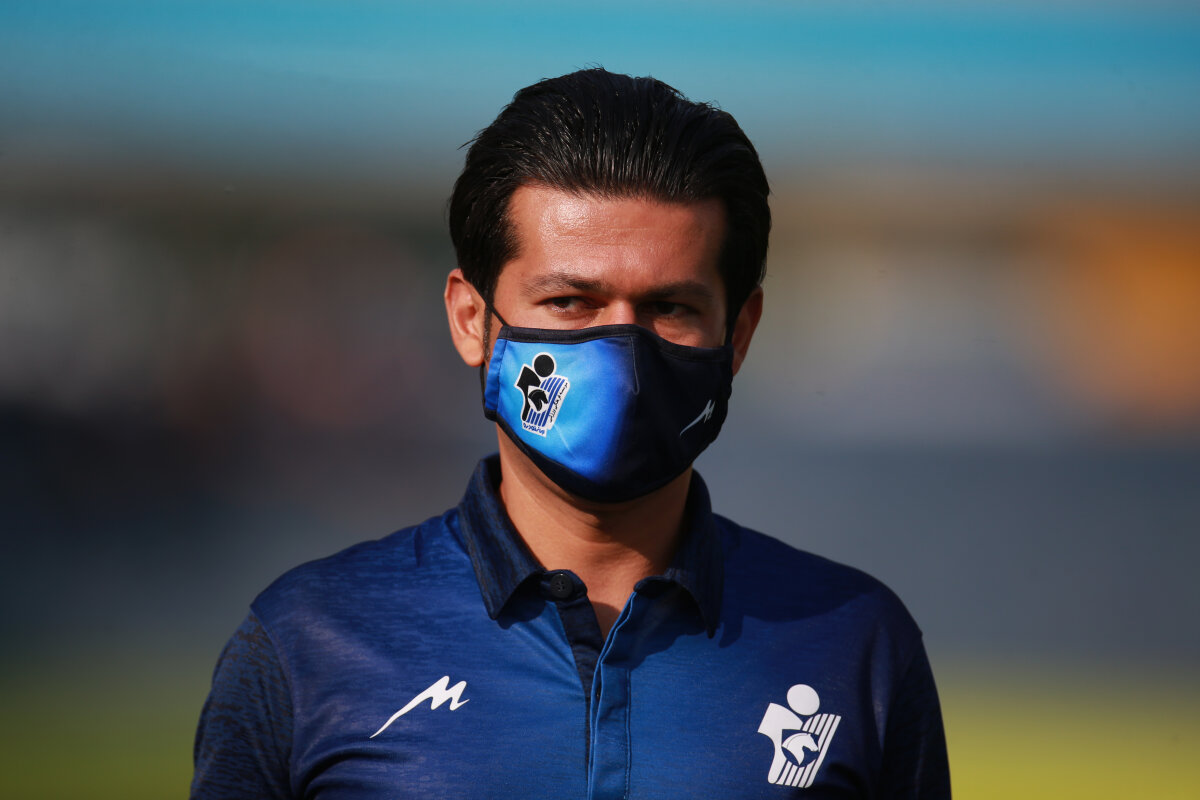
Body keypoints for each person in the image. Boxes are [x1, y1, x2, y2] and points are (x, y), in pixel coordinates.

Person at [192, 68, 950, 799]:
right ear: (471, 320)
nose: (623, 358)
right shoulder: (309, 642)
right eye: (569, 302)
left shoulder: (855, 645)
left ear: (739, 333)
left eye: (671, 309)